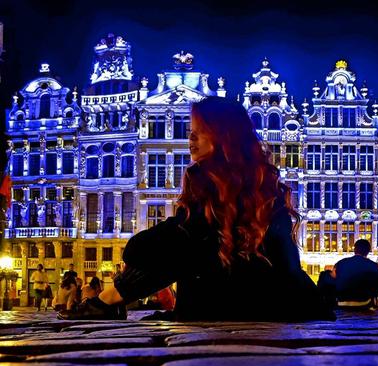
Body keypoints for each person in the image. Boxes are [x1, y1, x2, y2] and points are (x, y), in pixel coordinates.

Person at [58, 96, 335, 322]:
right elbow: (287, 263)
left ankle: (109, 300)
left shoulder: (203, 178)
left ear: (223, 136)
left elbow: (169, 244)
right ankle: (110, 300)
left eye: (199, 131)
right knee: (189, 245)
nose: (190, 137)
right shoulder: (266, 184)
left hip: (218, 307)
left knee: (180, 247)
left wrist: (133, 257)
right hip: (278, 306)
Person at [334, 239, 378, 310]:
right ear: (368, 251)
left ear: (354, 249)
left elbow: (334, 279)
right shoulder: (373, 265)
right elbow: (377, 285)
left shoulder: (340, 263)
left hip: (341, 303)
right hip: (363, 303)